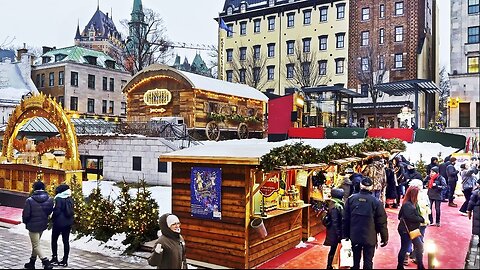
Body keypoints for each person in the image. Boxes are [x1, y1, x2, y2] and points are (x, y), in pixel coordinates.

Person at [343, 177, 388, 269]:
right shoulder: (376, 202)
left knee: (354, 261)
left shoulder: (351, 199)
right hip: (370, 237)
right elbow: (381, 222)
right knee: (368, 261)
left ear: (360, 186)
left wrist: (345, 235)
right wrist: (384, 238)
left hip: (354, 235)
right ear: (371, 187)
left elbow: (345, 219)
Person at [22, 181, 54, 270]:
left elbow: (26, 214)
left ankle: (46, 262)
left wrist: (26, 222)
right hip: (43, 224)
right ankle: (32, 262)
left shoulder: (30, 200)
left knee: (36, 244)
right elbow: (49, 211)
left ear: (34, 188)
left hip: (32, 225)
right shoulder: (49, 199)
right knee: (36, 244)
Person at [397, 186, 425, 269]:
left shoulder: (410, 203)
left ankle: (420, 265)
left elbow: (400, 216)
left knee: (418, 246)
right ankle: (400, 266)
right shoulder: (408, 204)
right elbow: (411, 217)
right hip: (407, 230)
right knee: (405, 247)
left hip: (412, 229)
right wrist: (421, 219)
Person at [50, 184, 74, 267]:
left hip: (58, 223)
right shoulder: (70, 198)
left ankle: (54, 258)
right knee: (66, 241)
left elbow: (56, 211)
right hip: (68, 223)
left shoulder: (58, 198)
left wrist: (51, 217)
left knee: (54, 240)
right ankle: (65, 260)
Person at [407, 179, 431, 265]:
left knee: (411, 237)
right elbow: (429, 207)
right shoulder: (425, 195)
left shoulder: (412, 196)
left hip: (415, 221)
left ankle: (408, 253)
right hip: (423, 220)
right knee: (420, 238)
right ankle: (417, 256)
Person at [323, 188, 345, 269]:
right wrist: (339, 234)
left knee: (333, 249)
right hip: (335, 232)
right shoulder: (336, 206)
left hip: (332, 231)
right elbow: (335, 222)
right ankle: (330, 266)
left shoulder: (333, 203)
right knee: (334, 250)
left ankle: (330, 265)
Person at [467, 179, 480, 247]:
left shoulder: (476, 192)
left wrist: (469, 210)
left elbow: (471, 203)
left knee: (478, 226)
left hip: (477, 210)